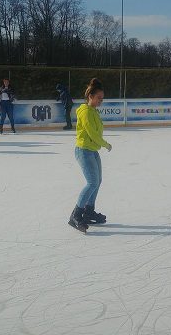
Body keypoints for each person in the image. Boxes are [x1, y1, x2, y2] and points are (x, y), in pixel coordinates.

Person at [69, 78, 112, 233]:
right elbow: (92, 133)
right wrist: (105, 144)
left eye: (102, 98)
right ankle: (75, 215)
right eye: (99, 98)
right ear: (90, 96)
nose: (101, 101)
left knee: (97, 181)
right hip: (84, 150)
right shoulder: (86, 112)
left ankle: (88, 212)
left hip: (92, 150)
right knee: (92, 182)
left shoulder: (93, 111)